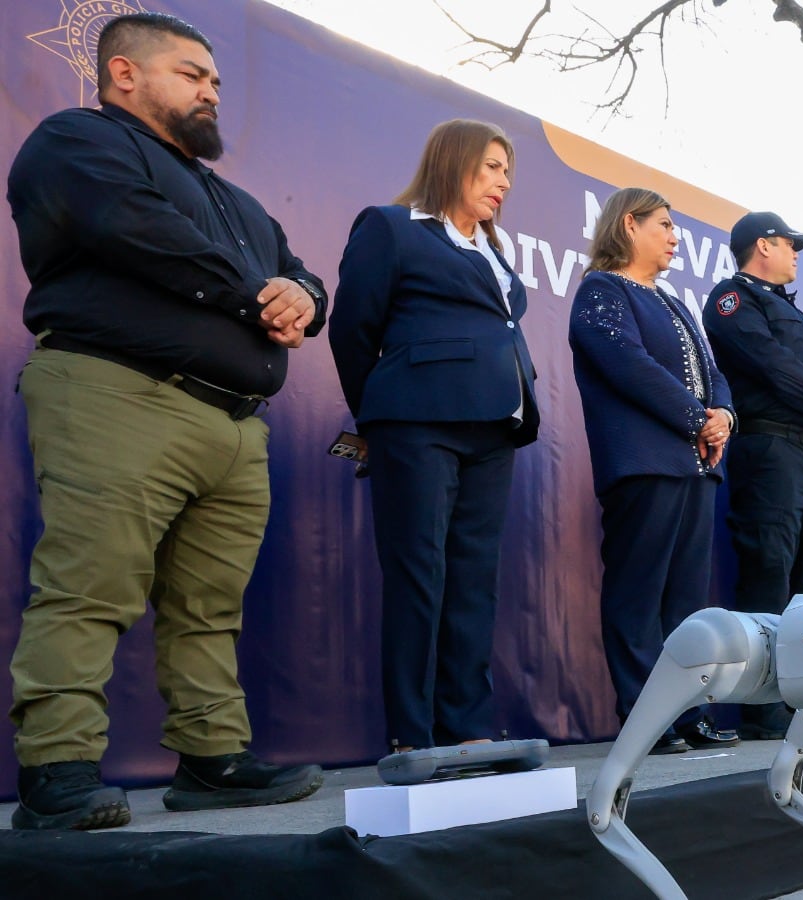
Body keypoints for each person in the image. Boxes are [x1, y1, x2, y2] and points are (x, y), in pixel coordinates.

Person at [5, 12, 325, 830]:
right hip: (120, 392)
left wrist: (305, 298)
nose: (211, 89)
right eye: (191, 74)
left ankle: (212, 760)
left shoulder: (241, 201)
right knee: (88, 587)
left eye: (216, 79)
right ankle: (58, 770)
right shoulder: (76, 141)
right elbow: (136, 228)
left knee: (210, 607)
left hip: (234, 425)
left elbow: (297, 272)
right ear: (124, 75)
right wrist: (256, 293)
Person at [329, 120, 539, 755]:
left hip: (493, 429)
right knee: (419, 573)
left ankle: (466, 727)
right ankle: (412, 737)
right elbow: (352, 329)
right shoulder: (391, 226)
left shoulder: (494, 251)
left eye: (509, 171)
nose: (504, 181)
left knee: (474, 579)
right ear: (456, 160)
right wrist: (380, 417)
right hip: (415, 424)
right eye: (494, 166)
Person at [569, 188, 741, 755]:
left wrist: (723, 415)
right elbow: (627, 365)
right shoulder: (602, 289)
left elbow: (713, 372)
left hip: (696, 468)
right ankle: (646, 715)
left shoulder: (672, 300)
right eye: (664, 225)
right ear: (629, 224)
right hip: (644, 464)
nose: (674, 238)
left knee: (686, 600)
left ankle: (687, 711)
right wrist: (697, 418)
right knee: (639, 593)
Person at [700, 211, 803, 740]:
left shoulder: (802, 318)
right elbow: (767, 363)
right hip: (769, 448)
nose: (797, 254)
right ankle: (764, 707)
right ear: (762, 245)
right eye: (791, 244)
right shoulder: (733, 299)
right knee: (769, 567)